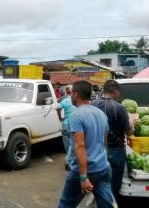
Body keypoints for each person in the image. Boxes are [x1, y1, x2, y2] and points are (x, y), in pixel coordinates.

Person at [58, 80, 116, 208]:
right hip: (103, 168)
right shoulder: (101, 114)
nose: (70, 96)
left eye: (71, 93)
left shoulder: (76, 116)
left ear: (76, 94)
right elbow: (104, 143)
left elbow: (80, 146)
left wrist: (83, 177)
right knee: (106, 205)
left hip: (85, 171)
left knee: (65, 205)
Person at [92, 80, 134, 199]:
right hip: (115, 151)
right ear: (115, 91)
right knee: (113, 186)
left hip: (96, 151)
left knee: (99, 184)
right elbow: (128, 132)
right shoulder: (119, 108)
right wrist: (133, 124)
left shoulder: (93, 105)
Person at [56, 85, 76, 169]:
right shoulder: (76, 101)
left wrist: (60, 118)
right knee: (72, 143)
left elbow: (57, 108)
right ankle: (69, 160)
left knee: (67, 145)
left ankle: (69, 159)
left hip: (65, 125)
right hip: (73, 125)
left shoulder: (65, 100)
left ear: (66, 91)